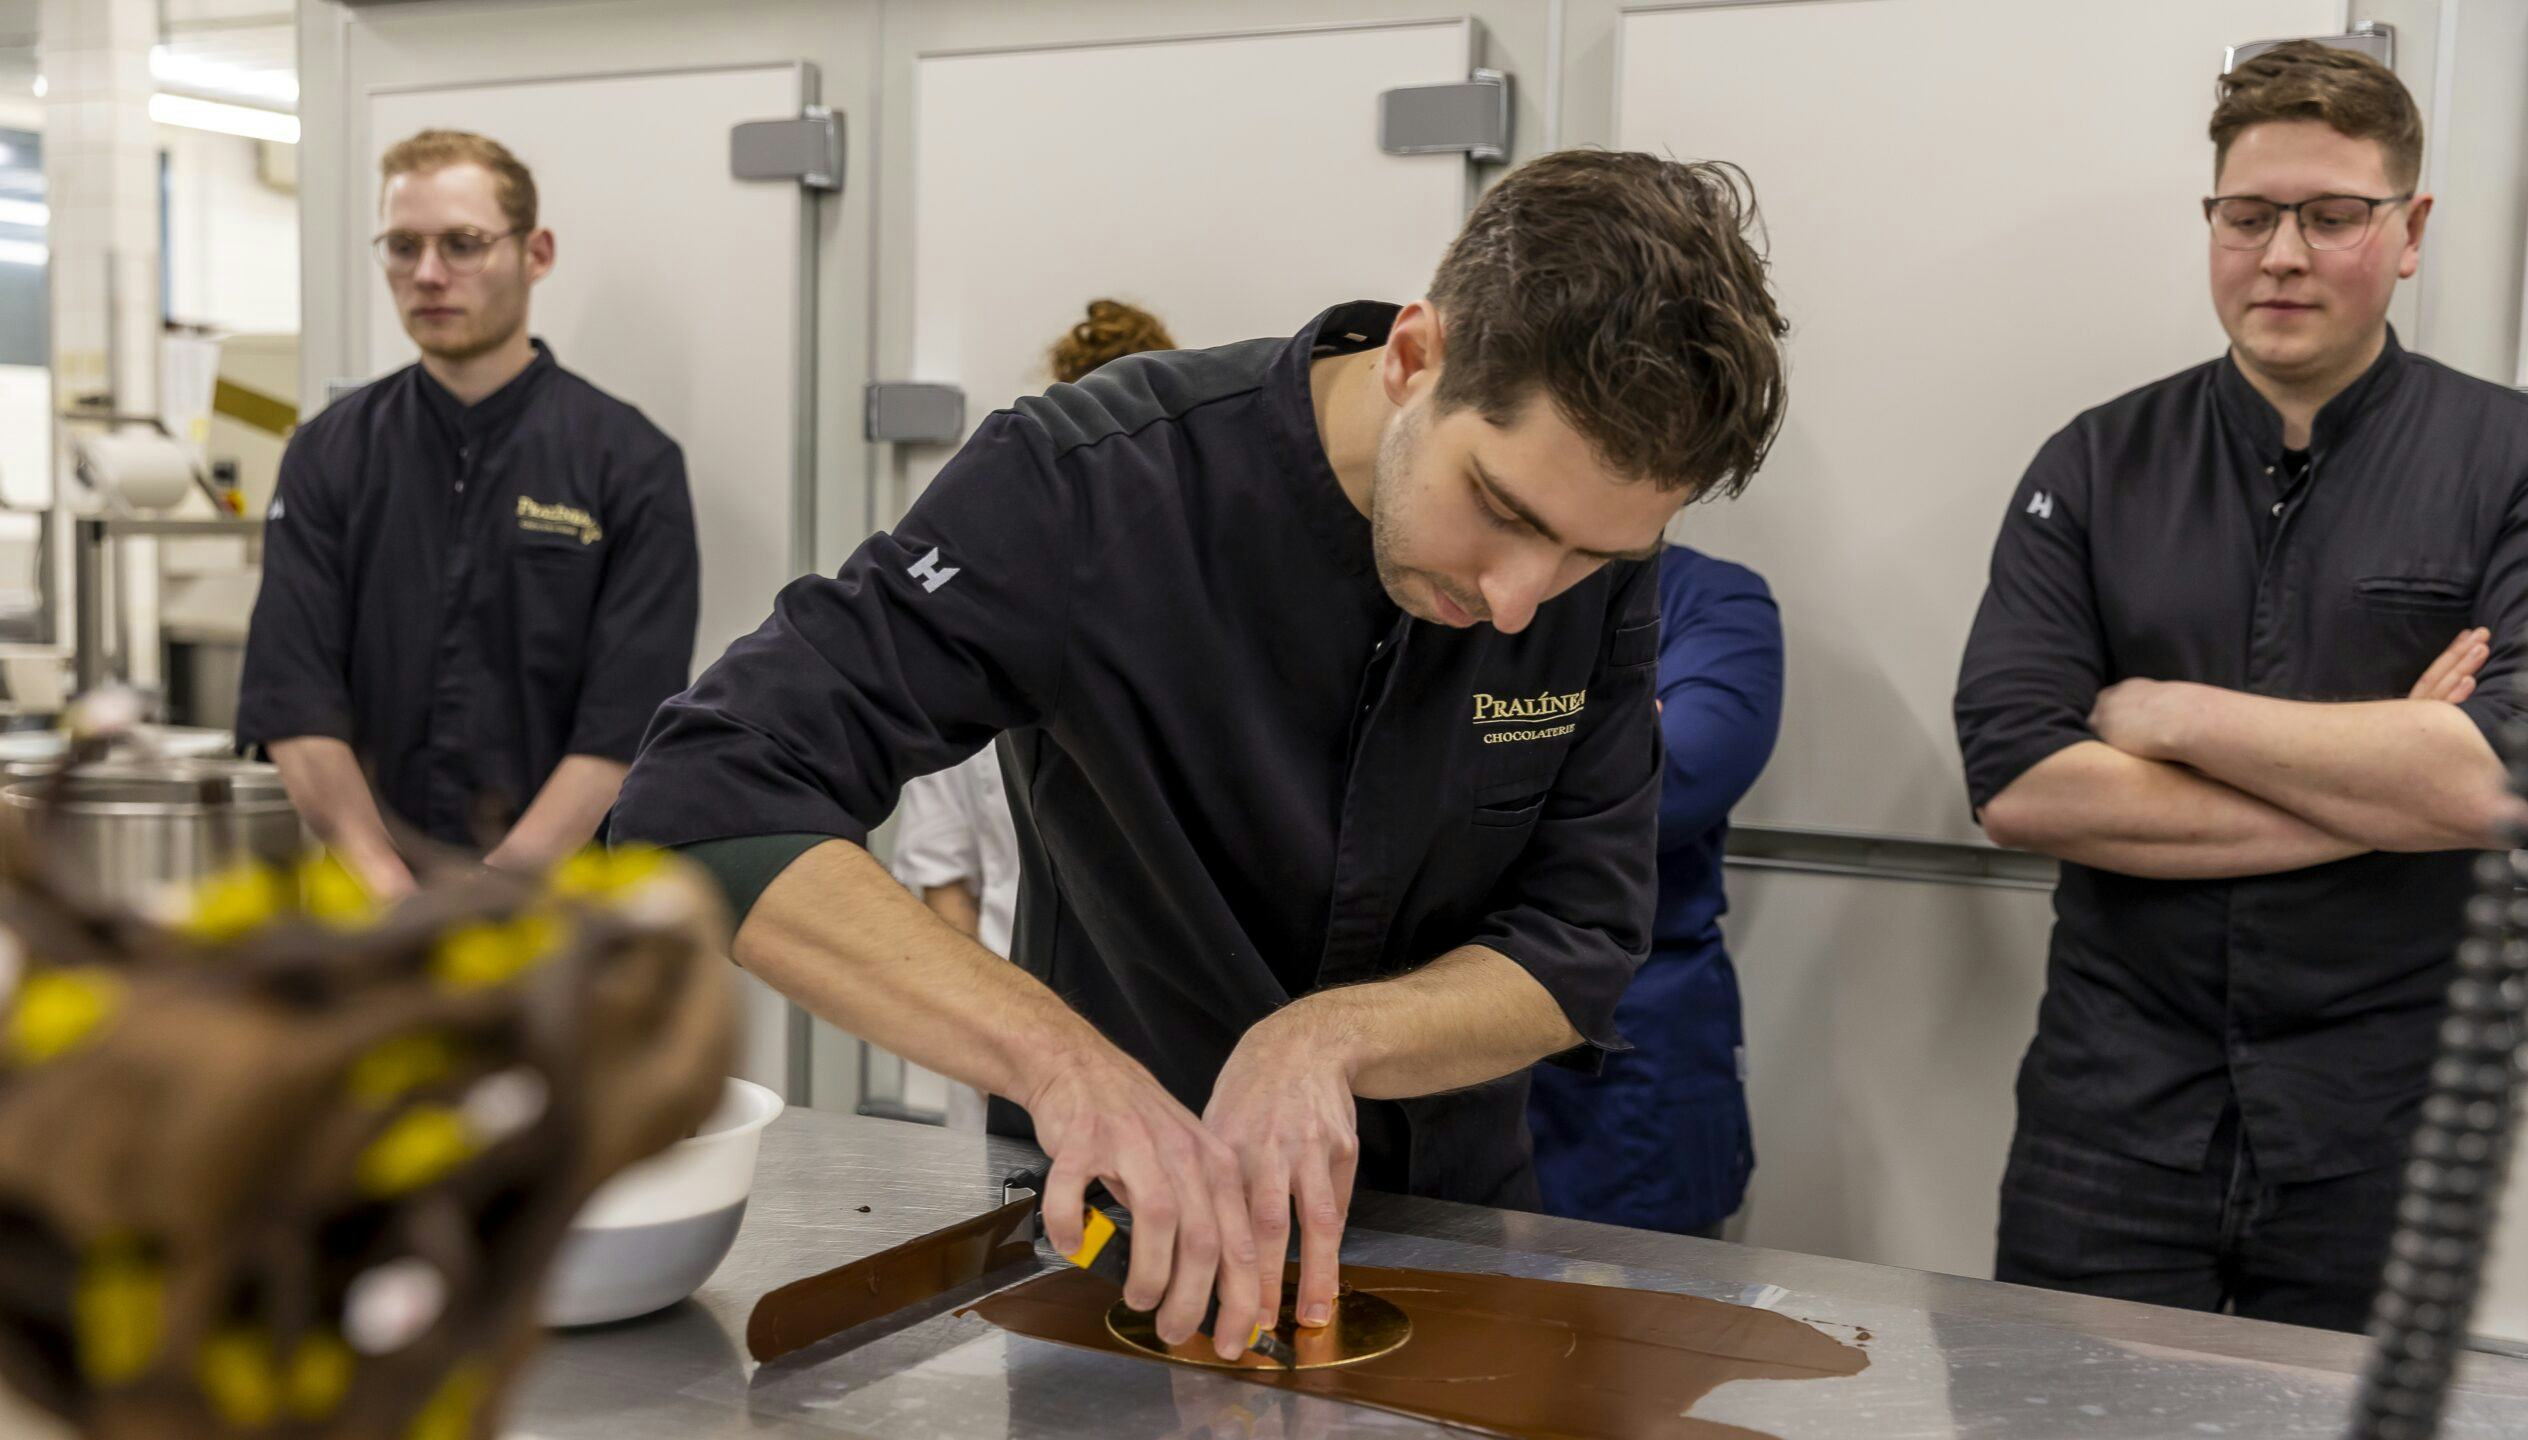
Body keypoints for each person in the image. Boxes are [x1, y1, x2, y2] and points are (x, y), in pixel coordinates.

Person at [613, 149, 1790, 1361]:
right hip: (1109, 1258)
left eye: (1590, 559)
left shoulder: (1583, 568)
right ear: (1411, 358)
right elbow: (708, 795)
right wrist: (1062, 1063)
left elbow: (1579, 942)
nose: (1517, 603)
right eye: (1501, 510)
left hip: (1447, 1251)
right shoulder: (1086, 488)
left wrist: (1324, 1040)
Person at [1953, 42, 2528, 1330]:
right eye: (2248, 214)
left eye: (2333, 216)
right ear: (2214, 222)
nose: (2282, 253)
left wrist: (2165, 716)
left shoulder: (2522, 464)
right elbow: (2015, 781)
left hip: (2383, 1129)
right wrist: (2394, 777)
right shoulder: (2098, 461)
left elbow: (2509, 784)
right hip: (2108, 1123)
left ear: (2410, 232)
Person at [238, 130, 699, 898]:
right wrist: (386, 885)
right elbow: (295, 700)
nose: (427, 275)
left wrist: (491, 895)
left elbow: (622, 729)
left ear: (536, 253)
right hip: (367, 901)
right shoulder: (328, 452)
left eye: (462, 244)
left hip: (557, 909)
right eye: (402, 246)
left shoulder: (629, 462)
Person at [892, 298, 1179, 1132]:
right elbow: (942, 875)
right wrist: (1005, 1053)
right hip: (1006, 1052)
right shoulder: (978, 639)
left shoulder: (1206, 635)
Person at [1527, 543, 1781, 1236]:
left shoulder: (1716, 599)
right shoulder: (1472, 574)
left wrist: (1483, 755)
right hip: (1432, 1014)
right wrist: (1614, 735)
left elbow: (1671, 788)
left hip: (1629, 1043)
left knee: (1636, 1327)